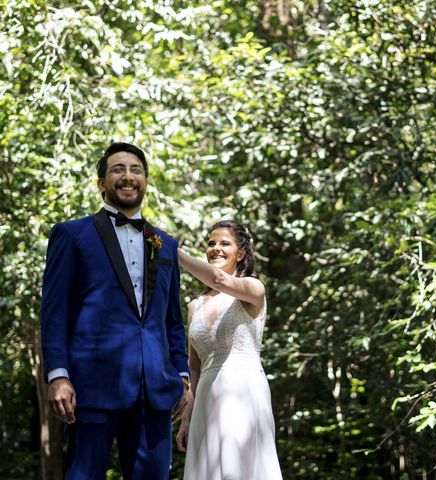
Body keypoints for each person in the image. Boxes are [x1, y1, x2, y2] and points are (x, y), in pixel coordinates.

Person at [40, 142, 190, 479]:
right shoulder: (72, 235)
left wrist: (182, 376)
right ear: (101, 183)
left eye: (136, 170)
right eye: (118, 170)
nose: (128, 177)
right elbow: (54, 312)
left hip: (155, 392)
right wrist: (58, 375)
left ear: (146, 181)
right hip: (90, 387)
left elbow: (172, 320)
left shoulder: (165, 243)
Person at [176, 220, 282, 480]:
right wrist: (186, 418)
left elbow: (219, 280)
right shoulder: (194, 306)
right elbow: (194, 367)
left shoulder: (253, 289)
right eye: (211, 243)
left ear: (241, 253)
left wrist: (173, 251)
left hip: (243, 391)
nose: (215, 249)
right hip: (206, 399)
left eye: (225, 243)